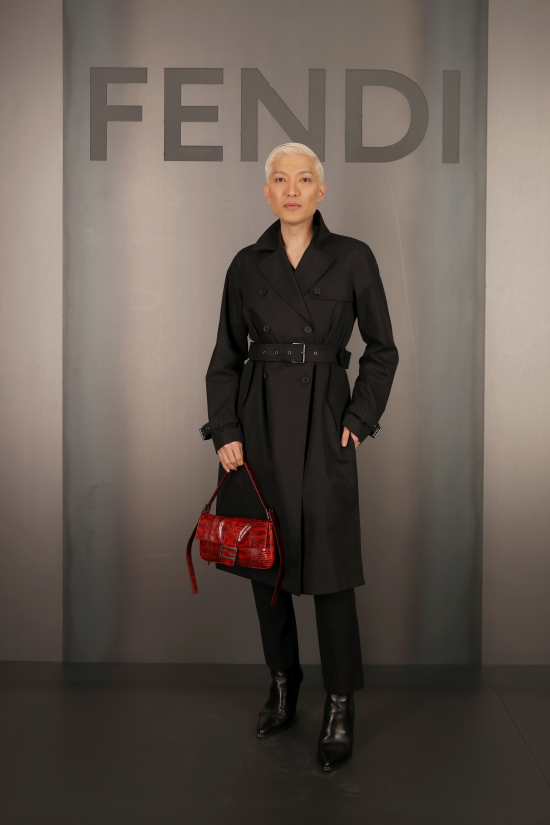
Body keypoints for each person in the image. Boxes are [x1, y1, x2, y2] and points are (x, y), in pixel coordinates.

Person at [199, 142, 399, 770]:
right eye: (281, 180)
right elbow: (225, 358)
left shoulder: (353, 257)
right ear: (267, 193)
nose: (292, 190)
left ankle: (340, 702)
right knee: (268, 563)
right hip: (258, 424)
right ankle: (283, 683)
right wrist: (226, 430)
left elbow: (383, 349)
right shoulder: (245, 264)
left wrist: (359, 419)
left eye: (304, 179)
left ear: (321, 190)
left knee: (332, 569)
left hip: (326, 422)